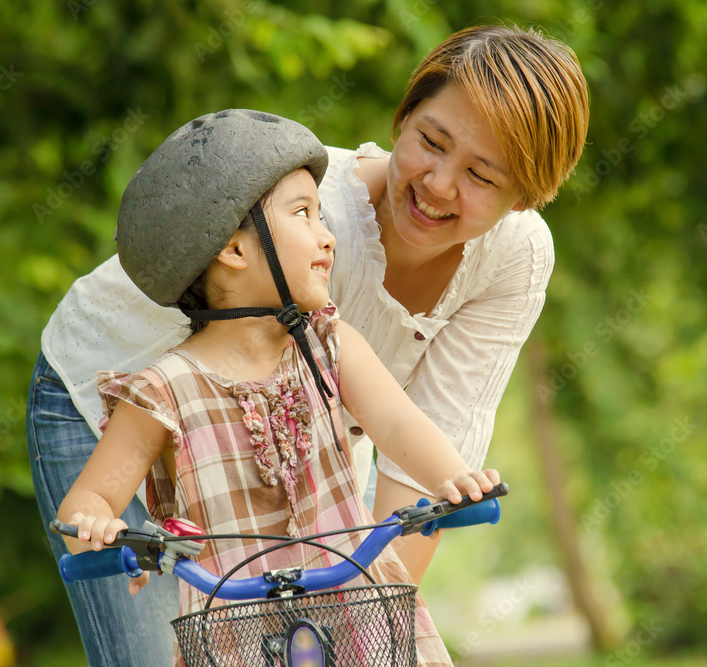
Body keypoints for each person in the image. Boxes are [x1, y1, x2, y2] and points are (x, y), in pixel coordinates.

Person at [27, 23, 588, 667]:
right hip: (119, 402)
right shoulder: (309, 218)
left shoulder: (503, 263)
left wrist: (370, 628)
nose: (437, 184)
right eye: (430, 142)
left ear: (525, 197)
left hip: (277, 437)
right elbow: (115, 482)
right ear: (403, 120)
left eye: (481, 176)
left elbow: (421, 434)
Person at [56, 109, 497, 666]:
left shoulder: (329, 345)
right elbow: (87, 502)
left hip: (355, 612)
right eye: (304, 215)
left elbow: (397, 423)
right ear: (234, 250)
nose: (328, 236)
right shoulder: (163, 392)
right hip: (235, 636)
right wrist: (103, 530)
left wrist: (453, 482)